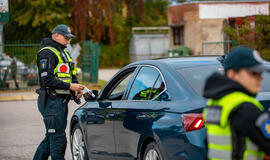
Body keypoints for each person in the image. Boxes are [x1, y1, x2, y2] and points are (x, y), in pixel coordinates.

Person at [203, 46, 270, 160]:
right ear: (232, 74)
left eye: (260, 73)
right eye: (253, 73)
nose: (260, 78)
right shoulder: (245, 108)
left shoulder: (215, 103)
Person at [33, 24, 85, 160]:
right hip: (51, 101)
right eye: (66, 37)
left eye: (69, 38)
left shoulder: (64, 53)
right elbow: (47, 80)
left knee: (52, 138)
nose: (68, 41)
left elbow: (70, 74)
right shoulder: (47, 52)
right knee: (58, 140)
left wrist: (76, 90)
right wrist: (70, 86)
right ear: (55, 35)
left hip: (61, 102)